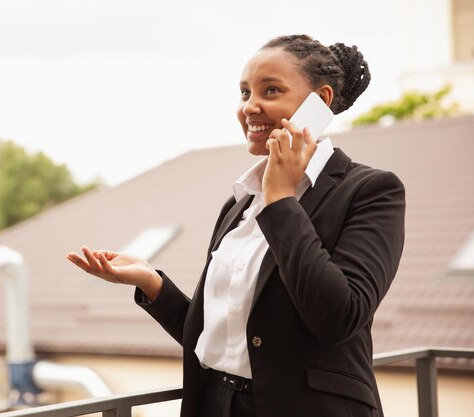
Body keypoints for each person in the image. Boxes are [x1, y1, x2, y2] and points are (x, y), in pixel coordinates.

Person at [67, 34, 405, 417]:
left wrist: (281, 200)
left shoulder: (371, 191)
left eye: (271, 90)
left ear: (320, 102)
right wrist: (152, 283)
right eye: (244, 93)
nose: (250, 107)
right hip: (216, 403)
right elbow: (223, 338)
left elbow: (337, 318)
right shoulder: (241, 201)